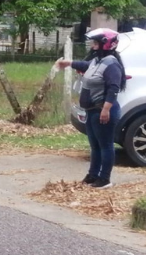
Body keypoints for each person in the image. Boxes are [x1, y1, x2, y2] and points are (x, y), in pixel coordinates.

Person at [56, 28, 126, 189]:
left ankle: (105, 179)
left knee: (106, 145)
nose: (93, 45)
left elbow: (113, 88)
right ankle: (93, 175)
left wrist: (106, 109)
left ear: (105, 44)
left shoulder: (111, 64)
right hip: (92, 111)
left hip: (103, 110)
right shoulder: (97, 61)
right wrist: (69, 63)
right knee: (95, 146)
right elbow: (86, 65)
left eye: (95, 42)